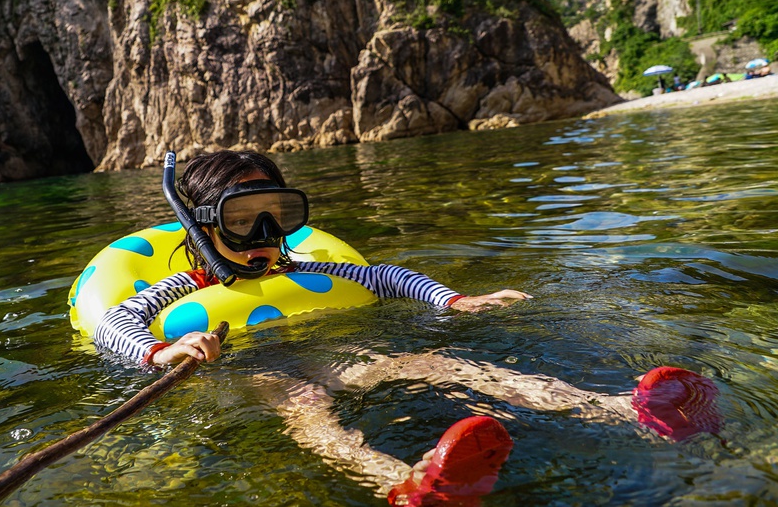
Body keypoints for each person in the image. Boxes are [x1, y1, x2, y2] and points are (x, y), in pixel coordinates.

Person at [93, 150, 722, 505]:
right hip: (257, 375)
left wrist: (453, 301)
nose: (264, 238)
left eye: (276, 217)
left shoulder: (305, 268)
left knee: (438, 364)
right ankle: (407, 486)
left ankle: (622, 408)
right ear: (201, 227)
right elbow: (113, 325)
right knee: (308, 406)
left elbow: (388, 278)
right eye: (243, 222)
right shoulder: (184, 289)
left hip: (337, 353)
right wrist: (163, 349)